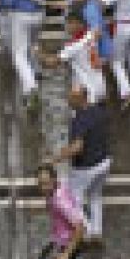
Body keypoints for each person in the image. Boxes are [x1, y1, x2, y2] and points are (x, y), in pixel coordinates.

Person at [46, 85, 111, 242]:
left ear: (80, 98)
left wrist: (55, 158)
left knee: (73, 199)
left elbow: (77, 147)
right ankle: (97, 232)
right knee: (95, 196)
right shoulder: (98, 112)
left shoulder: (78, 120)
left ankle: (86, 232)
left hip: (86, 167)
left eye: (71, 97)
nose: (68, 100)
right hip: (104, 162)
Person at [0, 0, 47, 111]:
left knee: (18, 55)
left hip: (21, 16)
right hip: (40, 14)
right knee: (32, 45)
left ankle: (31, 88)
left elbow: (8, 0)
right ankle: (36, 70)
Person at [40, 14, 105, 103]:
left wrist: (39, 53)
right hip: (99, 85)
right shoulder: (92, 34)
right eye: (67, 23)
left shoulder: (72, 47)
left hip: (87, 91)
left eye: (71, 23)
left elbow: (51, 62)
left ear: (80, 24)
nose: (68, 26)